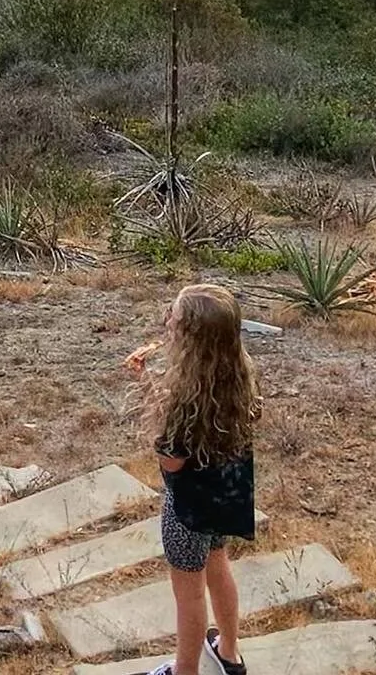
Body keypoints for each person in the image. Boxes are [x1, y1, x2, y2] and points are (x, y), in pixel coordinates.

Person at [124, 283, 259, 675]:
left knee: (189, 594)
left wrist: (153, 401)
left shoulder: (185, 395)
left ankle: (185, 670)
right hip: (225, 492)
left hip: (187, 510)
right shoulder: (238, 376)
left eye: (176, 318)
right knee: (219, 566)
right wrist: (146, 382)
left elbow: (172, 463)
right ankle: (229, 653)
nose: (168, 320)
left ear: (192, 337)